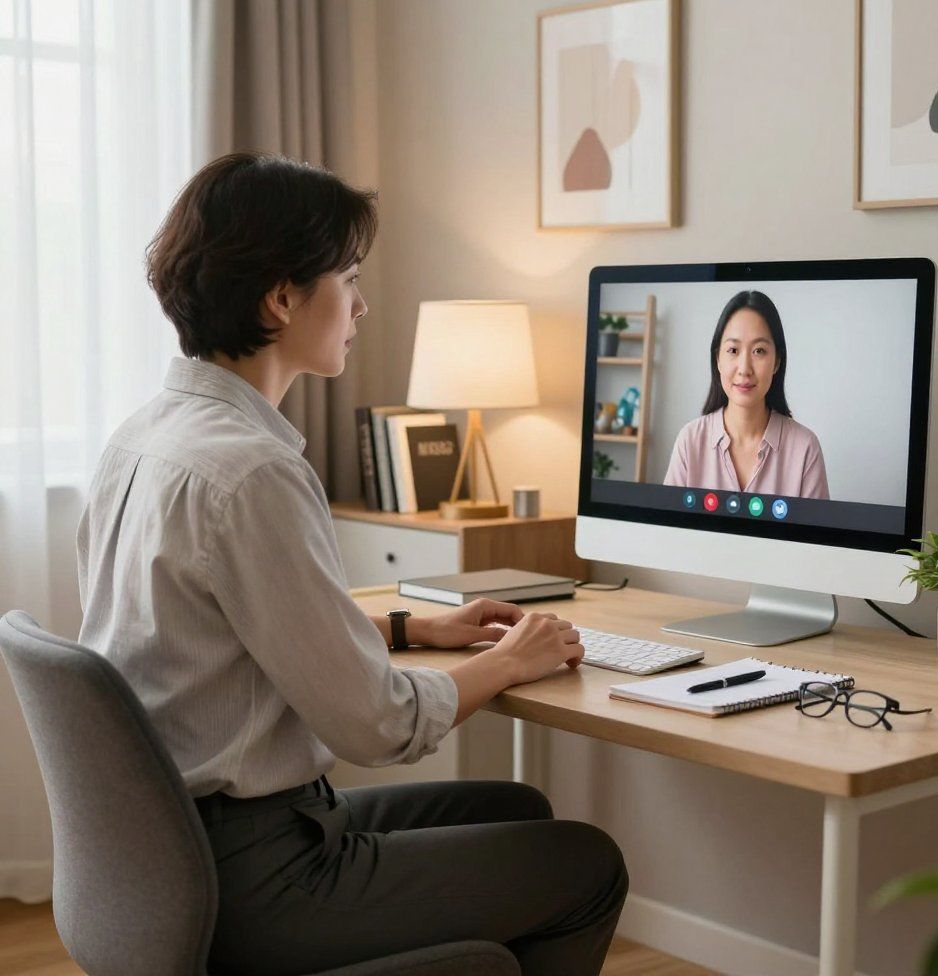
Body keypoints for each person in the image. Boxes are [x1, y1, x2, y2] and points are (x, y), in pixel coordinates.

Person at [76, 152, 627, 976]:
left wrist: (419, 627)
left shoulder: (144, 437)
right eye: (348, 277)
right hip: (263, 879)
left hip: (165, 862)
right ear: (282, 296)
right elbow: (379, 724)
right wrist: (512, 661)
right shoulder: (252, 472)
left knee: (515, 808)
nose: (362, 305)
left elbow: (223, 631)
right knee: (586, 865)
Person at [663, 290, 829, 499]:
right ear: (717, 359)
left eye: (759, 351)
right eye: (733, 350)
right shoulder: (690, 440)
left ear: (777, 361)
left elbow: (812, 533)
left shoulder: (805, 448)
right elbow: (669, 530)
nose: (744, 368)